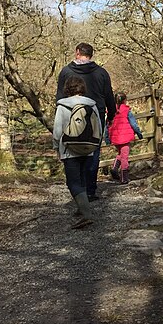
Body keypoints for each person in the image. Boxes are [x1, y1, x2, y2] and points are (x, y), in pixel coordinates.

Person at [56, 43, 116, 201]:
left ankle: (78, 188)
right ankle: (90, 189)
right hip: (96, 114)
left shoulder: (66, 72)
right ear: (91, 54)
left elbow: (59, 97)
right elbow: (109, 96)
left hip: (70, 114)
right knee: (93, 149)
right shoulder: (101, 73)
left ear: (77, 53)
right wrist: (111, 115)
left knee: (72, 146)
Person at [53, 76, 101, 229]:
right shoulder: (91, 105)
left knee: (73, 182)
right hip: (87, 148)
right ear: (83, 88)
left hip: (69, 149)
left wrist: (56, 148)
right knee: (82, 179)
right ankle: (82, 208)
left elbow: (57, 130)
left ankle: (87, 214)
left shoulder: (62, 106)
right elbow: (98, 126)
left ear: (67, 88)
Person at [107, 92, 143, 184]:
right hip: (125, 137)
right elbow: (134, 124)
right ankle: (124, 177)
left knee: (121, 154)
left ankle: (114, 169)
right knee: (125, 157)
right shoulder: (127, 111)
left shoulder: (111, 111)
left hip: (115, 137)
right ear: (124, 100)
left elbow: (107, 125)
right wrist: (139, 133)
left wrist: (107, 138)